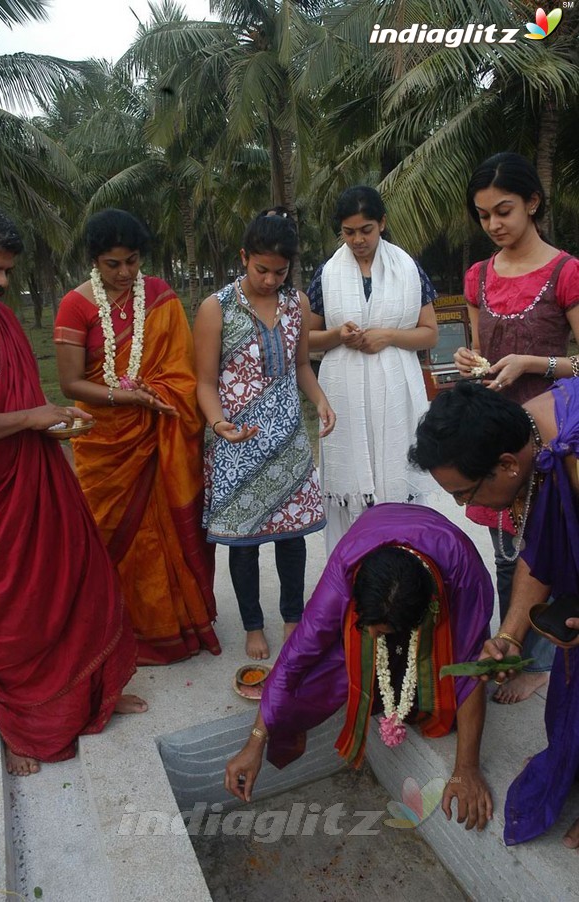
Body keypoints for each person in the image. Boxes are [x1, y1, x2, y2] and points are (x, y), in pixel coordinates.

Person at [0, 205, 146, 777]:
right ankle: (24, 730)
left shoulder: (0, 321)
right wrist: (29, 418)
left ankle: (95, 694)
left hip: (38, 484)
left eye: (5, 271)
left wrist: (52, 421)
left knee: (82, 587)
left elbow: (22, 406)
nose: (1, 282)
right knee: (18, 620)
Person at [224, 504, 494, 830]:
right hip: (372, 537)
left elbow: (470, 670)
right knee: (325, 668)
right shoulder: (344, 572)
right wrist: (255, 742)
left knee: (444, 701)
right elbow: (295, 658)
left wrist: (466, 767)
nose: (370, 636)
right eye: (368, 627)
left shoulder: (466, 578)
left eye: (380, 633)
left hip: (447, 566)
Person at [408, 378, 579, 847]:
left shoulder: (569, 452)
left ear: (506, 465)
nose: (465, 509)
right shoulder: (530, 434)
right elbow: (540, 554)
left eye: (465, 493)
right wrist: (509, 636)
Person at [55, 209, 220, 665]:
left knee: (165, 532)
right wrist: (129, 399)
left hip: (158, 435)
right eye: (113, 264)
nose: (125, 273)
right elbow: (70, 385)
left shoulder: (159, 296)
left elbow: (182, 373)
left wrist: (157, 396)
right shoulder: (77, 304)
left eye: (132, 261)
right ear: (94, 261)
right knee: (106, 536)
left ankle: (178, 625)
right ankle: (114, 633)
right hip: (105, 444)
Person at [454, 152, 579, 703]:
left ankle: (542, 660)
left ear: (532, 202)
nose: (494, 225)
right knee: (506, 546)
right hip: (497, 437)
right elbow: (484, 352)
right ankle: (514, 645)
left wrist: (534, 363)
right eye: (483, 216)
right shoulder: (478, 275)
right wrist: (469, 361)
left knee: (550, 548)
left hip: (552, 437)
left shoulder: (564, 271)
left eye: (503, 211)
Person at [193, 209, 335, 661]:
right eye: (261, 270)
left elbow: (298, 367)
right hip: (236, 442)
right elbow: (205, 382)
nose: (271, 280)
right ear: (244, 257)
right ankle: (254, 624)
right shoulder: (216, 307)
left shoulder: (299, 305)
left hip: (288, 440)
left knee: (292, 537)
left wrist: (321, 400)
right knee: (245, 540)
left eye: (280, 271)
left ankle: (293, 616)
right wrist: (219, 424)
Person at [307, 186, 439, 554]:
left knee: (398, 475)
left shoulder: (409, 269)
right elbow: (306, 340)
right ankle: (353, 571)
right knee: (351, 490)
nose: (358, 239)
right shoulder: (327, 274)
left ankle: (405, 565)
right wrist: (337, 334)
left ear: (382, 223)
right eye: (349, 232)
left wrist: (388, 336)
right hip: (344, 396)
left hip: (396, 391)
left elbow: (429, 334)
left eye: (366, 229)